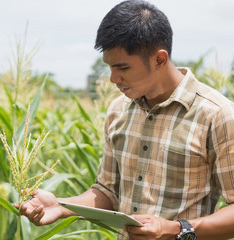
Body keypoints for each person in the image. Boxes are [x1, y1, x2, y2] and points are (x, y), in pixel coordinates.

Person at [15, 1, 234, 239]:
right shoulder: (118, 111)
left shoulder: (217, 115)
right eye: (109, 67)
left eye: (123, 68)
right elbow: (108, 192)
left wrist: (176, 230)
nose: (112, 78)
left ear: (159, 60)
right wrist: (61, 205)